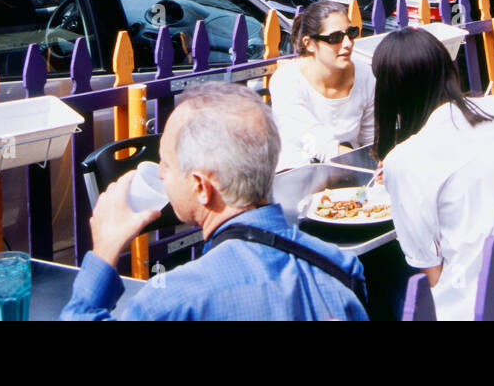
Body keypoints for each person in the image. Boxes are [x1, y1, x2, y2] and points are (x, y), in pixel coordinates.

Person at [61, 83, 368, 320]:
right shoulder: (339, 267)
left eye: (166, 164)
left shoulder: (175, 301)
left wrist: (103, 251)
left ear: (200, 187)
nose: (161, 175)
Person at [374, 28, 494, 320]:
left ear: (390, 93)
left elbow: (431, 271)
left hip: (479, 308)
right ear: (450, 69)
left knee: (380, 271)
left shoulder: (405, 158)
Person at [268, 0, 375, 168]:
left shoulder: (365, 76)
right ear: (309, 43)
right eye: (335, 38)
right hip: (297, 176)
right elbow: (315, 141)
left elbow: (371, 141)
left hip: (350, 176)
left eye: (351, 33)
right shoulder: (286, 80)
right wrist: (365, 164)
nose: (348, 43)